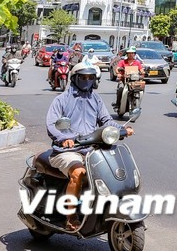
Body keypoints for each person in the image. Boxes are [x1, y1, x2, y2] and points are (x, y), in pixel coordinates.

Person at [46, 63, 132, 231]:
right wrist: (64, 138)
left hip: (92, 148)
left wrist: (121, 129)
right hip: (67, 150)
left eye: (91, 78)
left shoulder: (96, 99)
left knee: (112, 168)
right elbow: (52, 124)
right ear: (75, 78)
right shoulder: (61, 100)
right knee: (78, 173)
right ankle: (71, 217)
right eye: (83, 77)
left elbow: (106, 120)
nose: (87, 81)